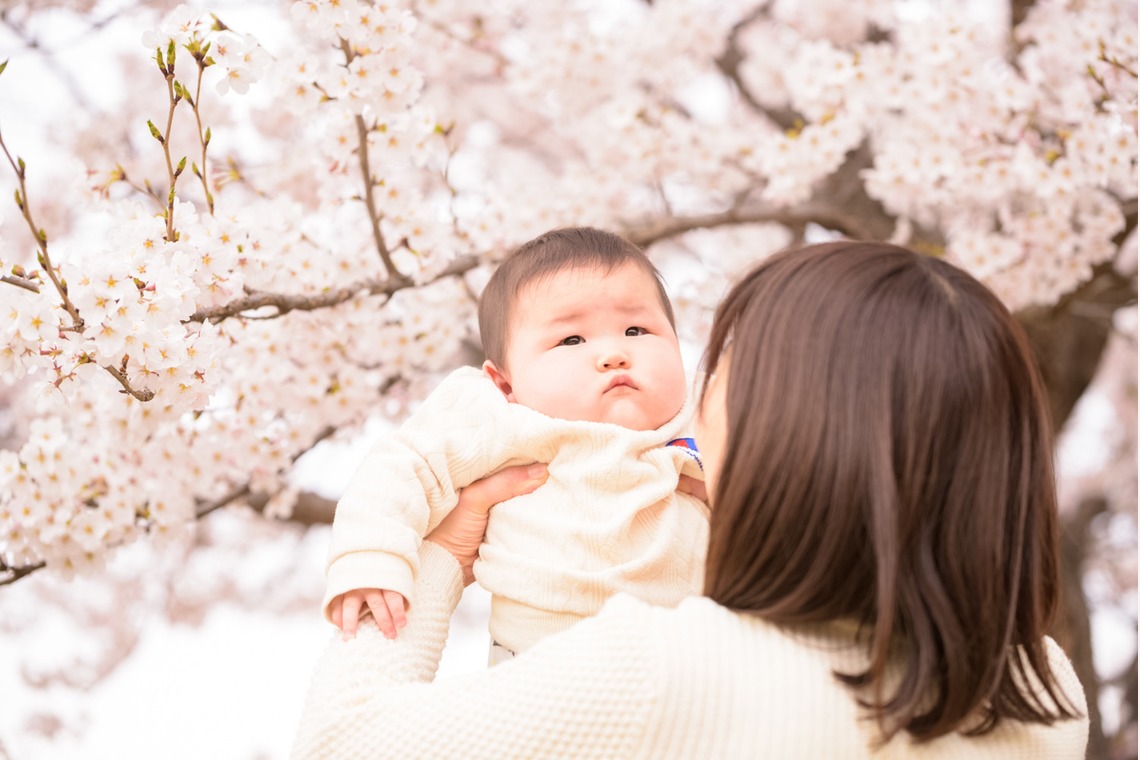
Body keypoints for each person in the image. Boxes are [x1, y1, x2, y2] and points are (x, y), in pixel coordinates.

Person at [293, 240, 1088, 759]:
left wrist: (444, 554)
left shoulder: (666, 669)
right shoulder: (1044, 695)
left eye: (725, 375)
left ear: (799, 431)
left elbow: (342, 745)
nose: (699, 403)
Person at [324, 227, 708, 661]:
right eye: (572, 340)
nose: (613, 354)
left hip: (694, 654)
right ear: (505, 383)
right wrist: (371, 559)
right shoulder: (498, 416)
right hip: (538, 658)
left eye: (636, 330)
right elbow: (402, 468)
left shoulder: (710, 407)